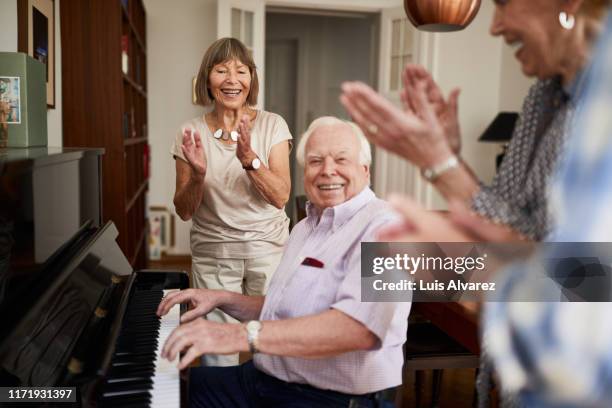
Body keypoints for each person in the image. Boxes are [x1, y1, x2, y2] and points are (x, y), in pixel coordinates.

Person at [159, 117, 411, 408]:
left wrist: (240, 334)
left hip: (330, 399)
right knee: (163, 390)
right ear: (305, 173)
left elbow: (359, 329)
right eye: (315, 161)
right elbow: (287, 309)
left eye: (341, 159)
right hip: (263, 381)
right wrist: (222, 299)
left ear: (365, 170)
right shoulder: (305, 227)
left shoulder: (391, 227)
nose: (328, 170)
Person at [340, 0, 609, 242]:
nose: (494, 26)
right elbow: (509, 219)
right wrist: (447, 157)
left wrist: (439, 164)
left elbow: (573, 277)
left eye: (503, 3)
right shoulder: (542, 93)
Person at [170, 37, 292, 367]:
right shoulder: (190, 132)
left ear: (251, 79)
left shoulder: (273, 125)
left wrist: (249, 158)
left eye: (241, 71)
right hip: (214, 254)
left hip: (267, 251)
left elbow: (281, 196)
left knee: (271, 354)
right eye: (221, 70)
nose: (231, 79)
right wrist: (197, 175)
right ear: (206, 79)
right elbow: (183, 210)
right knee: (217, 360)